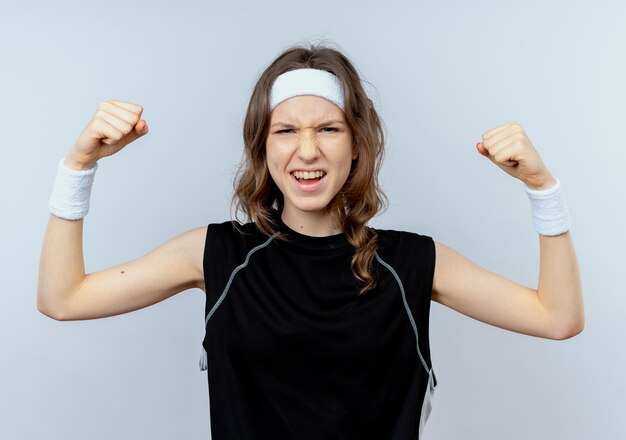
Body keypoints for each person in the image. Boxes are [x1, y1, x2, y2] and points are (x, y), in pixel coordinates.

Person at [38, 43, 584, 439]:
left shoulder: (411, 261)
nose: (307, 151)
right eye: (285, 130)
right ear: (263, 147)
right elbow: (64, 299)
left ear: (356, 146)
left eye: (328, 129)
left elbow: (556, 318)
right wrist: (78, 167)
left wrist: (544, 190)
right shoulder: (218, 255)